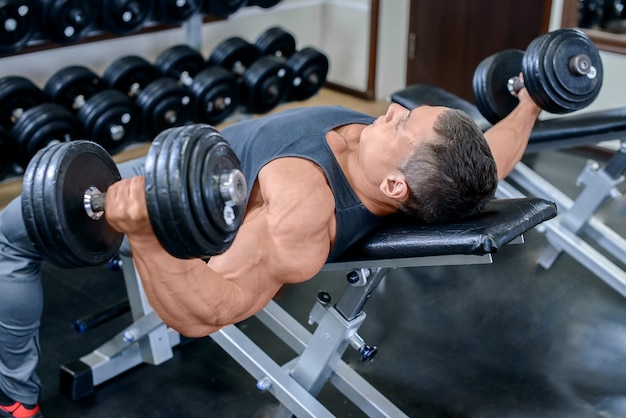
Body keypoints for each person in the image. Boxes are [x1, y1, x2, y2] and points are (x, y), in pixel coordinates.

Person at [0, 87, 541, 417]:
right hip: (193, 153)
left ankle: (16, 399)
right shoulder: (445, 172)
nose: (394, 110)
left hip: (178, 193)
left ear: (397, 187)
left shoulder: (303, 212)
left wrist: (143, 231)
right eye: (408, 112)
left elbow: (208, 311)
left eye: (403, 125)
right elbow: (496, 154)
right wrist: (535, 98)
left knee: (10, 232)